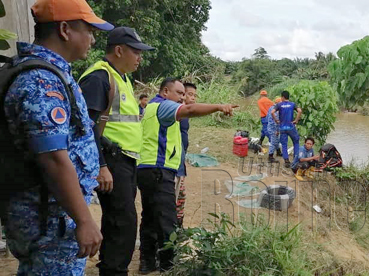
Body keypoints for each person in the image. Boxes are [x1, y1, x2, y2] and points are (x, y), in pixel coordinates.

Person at [2, 0, 113, 274]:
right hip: (50, 218)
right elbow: (52, 157)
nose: (93, 38)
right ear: (65, 29)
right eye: (89, 30)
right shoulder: (41, 81)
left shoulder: (50, 72)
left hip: (49, 212)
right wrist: (84, 220)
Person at [137, 78, 237, 273]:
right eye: (179, 93)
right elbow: (190, 110)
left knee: (149, 217)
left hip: (146, 168)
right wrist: (219, 106)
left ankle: (147, 262)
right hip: (159, 169)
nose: (183, 98)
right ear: (165, 92)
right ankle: (169, 267)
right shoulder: (164, 106)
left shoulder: (151, 107)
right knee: (168, 222)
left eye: (185, 94)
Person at [78, 26, 155, 276]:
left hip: (125, 160)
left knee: (119, 220)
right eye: (136, 52)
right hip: (111, 160)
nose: (139, 58)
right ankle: (113, 271)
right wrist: (101, 166)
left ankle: (112, 268)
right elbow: (84, 128)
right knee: (122, 222)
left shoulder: (122, 77)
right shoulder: (99, 77)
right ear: (119, 50)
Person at [175, 82, 198, 228]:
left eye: (195, 95)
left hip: (180, 159)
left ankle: (178, 226)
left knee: (181, 196)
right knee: (176, 196)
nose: (193, 98)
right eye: (190, 94)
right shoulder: (177, 110)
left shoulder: (185, 113)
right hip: (174, 161)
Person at [271, 90, 302, 167]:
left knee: (284, 144)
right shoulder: (292, 104)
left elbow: (272, 112)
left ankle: (286, 161)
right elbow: (299, 111)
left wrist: (276, 120)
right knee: (296, 142)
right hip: (291, 127)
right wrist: (296, 120)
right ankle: (295, 159)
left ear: (282, 97)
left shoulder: (279, 105)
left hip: (282, 127)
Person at [267, 97, 283, 163]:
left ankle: (278, 152)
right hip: (274, 128)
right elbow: (276, 121)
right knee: (273, 142)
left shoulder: (271, 108)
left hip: (270, 127)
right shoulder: (276, 110)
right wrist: (277, 130)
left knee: (276, 140)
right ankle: (270, 156)